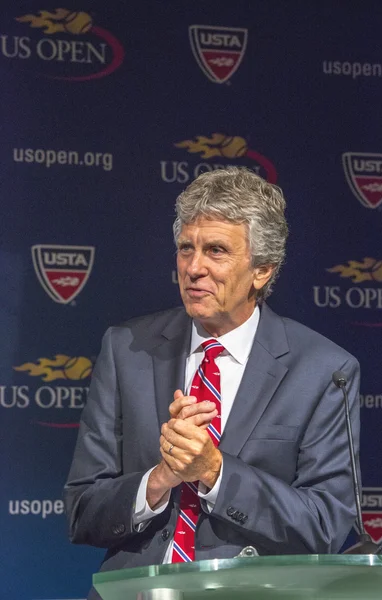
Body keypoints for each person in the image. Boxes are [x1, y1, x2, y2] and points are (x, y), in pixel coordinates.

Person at [64, 167, 360, 597]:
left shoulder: (323, 370)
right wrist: (159, 479)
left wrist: (215, 472)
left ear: (261, 271)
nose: (194, 267)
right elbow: (81, 512)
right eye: (186, 248)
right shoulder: (126, 349)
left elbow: (325, 525)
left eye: (216, 250)